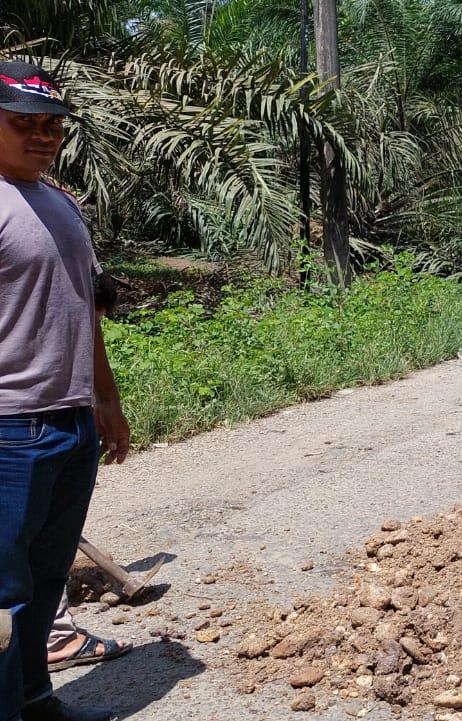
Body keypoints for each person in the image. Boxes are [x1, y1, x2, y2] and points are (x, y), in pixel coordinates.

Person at [0, 61, 130, 721]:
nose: (42, 136)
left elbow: (84, 309)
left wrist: (104, 398)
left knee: (46, 578)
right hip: (9, 428)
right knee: (2, 590)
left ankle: (34, 697)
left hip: (71, 421)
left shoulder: (59, 202)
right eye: (24, 123)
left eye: (51, 126)